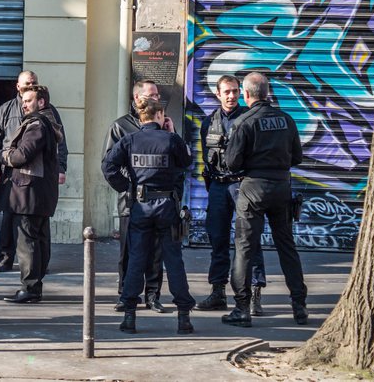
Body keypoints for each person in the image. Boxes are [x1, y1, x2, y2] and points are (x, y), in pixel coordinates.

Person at [221, 72, 308, 328]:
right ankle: (299, 306)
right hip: (281, 187)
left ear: (246, 94)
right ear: (267, 93)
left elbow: (232, 163)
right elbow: (297, 158)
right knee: (286, 247)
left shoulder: (245, 122)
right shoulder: (286, 119)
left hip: (252, 188)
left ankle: (241, 308)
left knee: (245, 248)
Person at [103, 96, 195, 335]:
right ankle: (184, 316)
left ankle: (129, 317)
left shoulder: (130, 140)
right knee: (173, 260)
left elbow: (108, 167)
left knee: (136, 259)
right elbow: (187, 162)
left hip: (141, 206)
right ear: (159, 116)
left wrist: (126, 187)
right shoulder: (171, 140)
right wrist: (172, 132)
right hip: (167, 206)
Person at [197, 74, 267, 314]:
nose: (231, 96)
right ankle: (218, 292)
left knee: (249, 240)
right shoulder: (208, 123)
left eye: (236, 91)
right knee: (217, 239)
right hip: (218, 187)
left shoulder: (249, 120)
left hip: (243, 186)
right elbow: (206, 156)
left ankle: (255, 294)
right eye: (226, 91)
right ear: (218, 94)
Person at [0, 71, 68, 272]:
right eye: (26, 84)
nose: (29, 86)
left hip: (33, 178)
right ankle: (5, 259)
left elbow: (60, 144)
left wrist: (61, 167)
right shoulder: (6, 109)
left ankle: (37, 270)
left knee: (33, 229)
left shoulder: (44, 117)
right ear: (17, 86)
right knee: (9, 220)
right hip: (11, 174)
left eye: (33, 83)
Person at [102, 79, 168, 312]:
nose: (156, 99)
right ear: (137, 98)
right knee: (129, 251)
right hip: (131, 201)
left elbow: (177, 163)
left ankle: (153, 294)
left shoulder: (164, 126)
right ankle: (126, 294)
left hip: (159, 201)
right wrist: (127, 187)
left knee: (156, 251)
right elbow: (108, 164)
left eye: (157, 95)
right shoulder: (121, 127)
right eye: (151, 95)